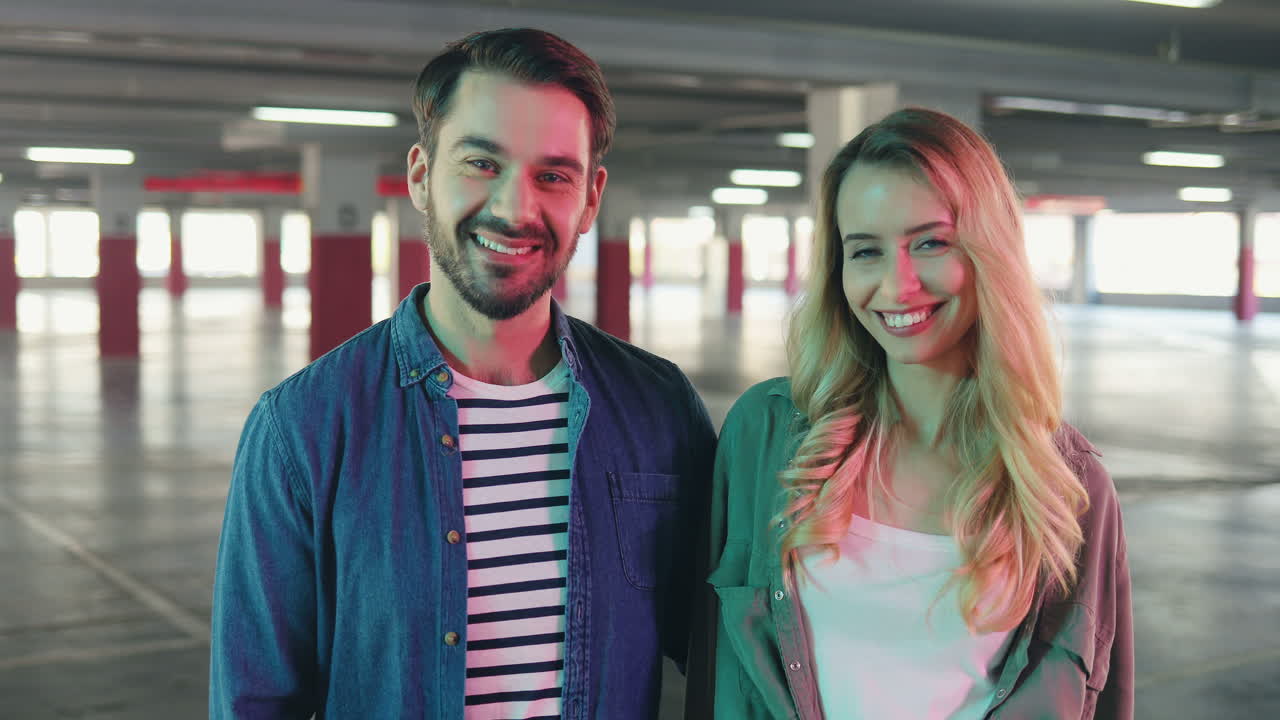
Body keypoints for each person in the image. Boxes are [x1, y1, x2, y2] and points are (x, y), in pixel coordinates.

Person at [210, 28, 715, 719]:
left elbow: (727, 655)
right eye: (482, 163)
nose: (514, 208)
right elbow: (256, 701)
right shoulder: (303, 429)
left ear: (591, 197)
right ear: (421, 175)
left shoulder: (658, 409)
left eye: (553, 175)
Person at [691, 108, 1133, 719]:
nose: (897, 287)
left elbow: (1098, 702)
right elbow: (718, 674)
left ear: (988, 253)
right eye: (866, 251)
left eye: (930, 243)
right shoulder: (764, 435)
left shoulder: (1071, 484)